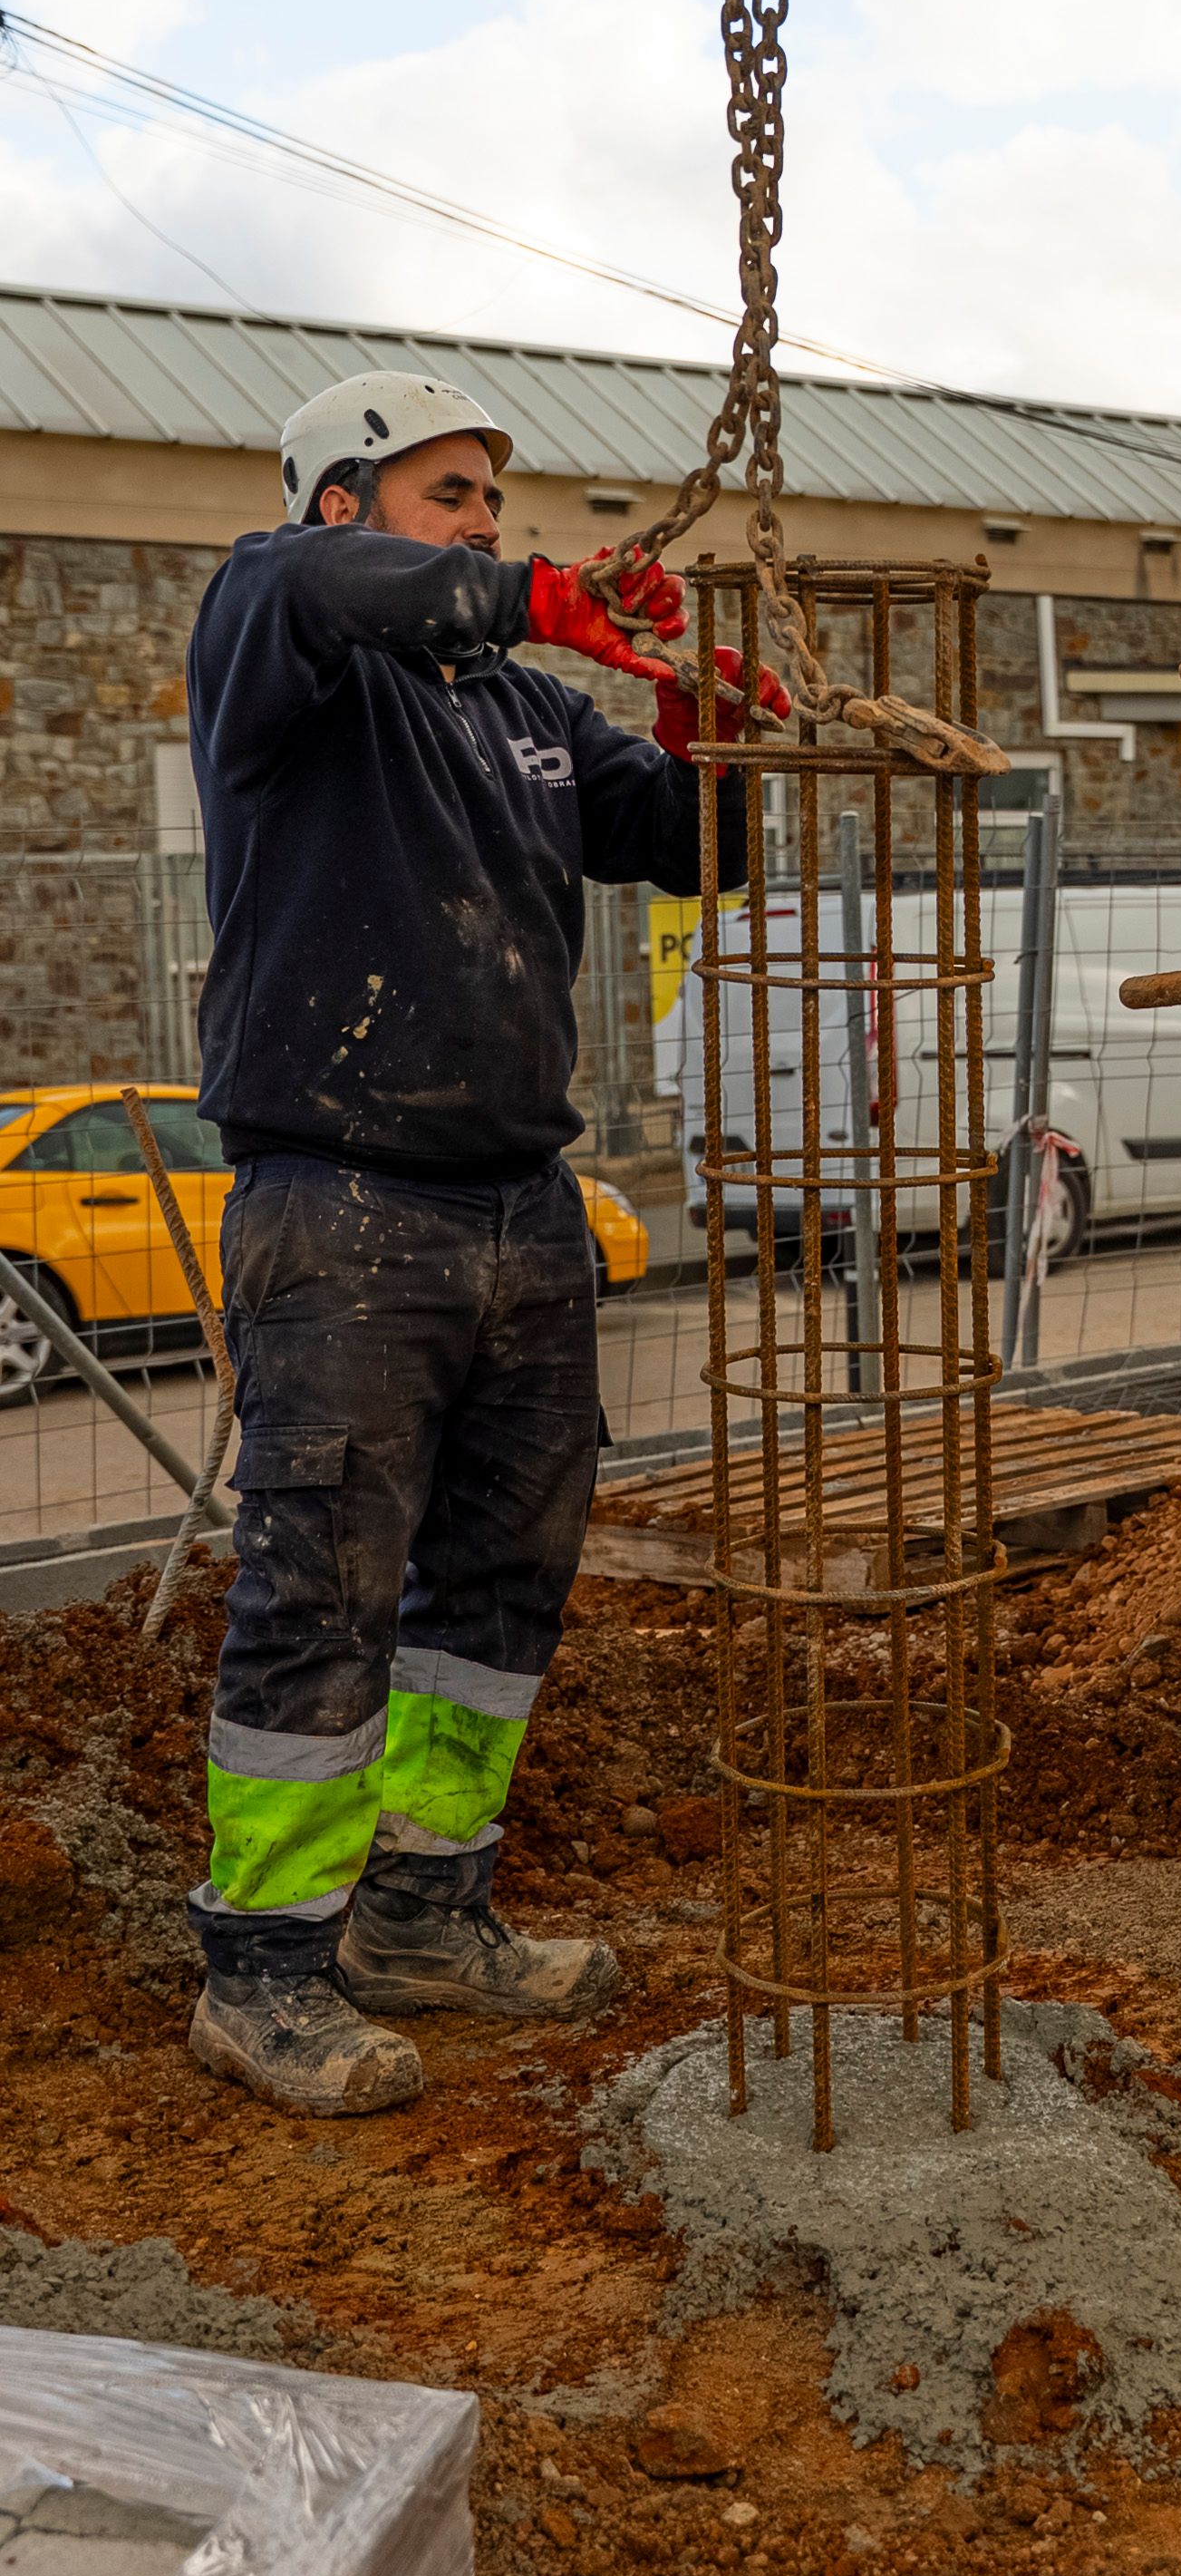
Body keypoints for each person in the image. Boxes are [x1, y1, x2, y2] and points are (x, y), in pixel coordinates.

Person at [181, 366, 786, 2116]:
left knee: (497, 1591)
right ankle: (267, 1971)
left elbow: (693, 850)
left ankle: (423, 1916)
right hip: (342, 1203)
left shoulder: (519, 713)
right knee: (323, 1587)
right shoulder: (278, 645)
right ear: (342, 505)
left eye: (494, 505)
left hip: (525, 1208)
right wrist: (536, 597)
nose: (487, 526)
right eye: (449, 496)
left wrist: (692, 705)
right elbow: (299, 591)